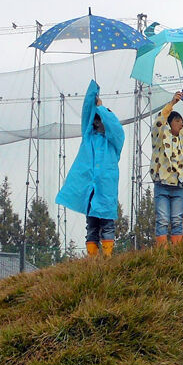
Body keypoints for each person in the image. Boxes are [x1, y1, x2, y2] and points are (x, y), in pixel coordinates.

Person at [56, 80, 124, 258]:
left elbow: (116, 128)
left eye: (100, 120)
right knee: (92, 225)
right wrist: (93, 93)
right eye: (95, 120)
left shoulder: (113, 142)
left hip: (106, 190)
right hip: (90, 189)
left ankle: (108, 257)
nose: (97, 123)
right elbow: (87, 112)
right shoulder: (89, 138)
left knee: (107, 224)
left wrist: (102, 109)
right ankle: (92, 259)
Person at [149, 89, 183, 246]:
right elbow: (159, 122)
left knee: (177, 220)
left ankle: (177, 252)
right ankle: (162, 253)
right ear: (169, 123)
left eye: (181, 121)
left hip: (178, 185)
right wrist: (172, 104)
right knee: (162, 219)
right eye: (177, 121)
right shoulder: (161, 136)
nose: (181, 123)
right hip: (162, 184)